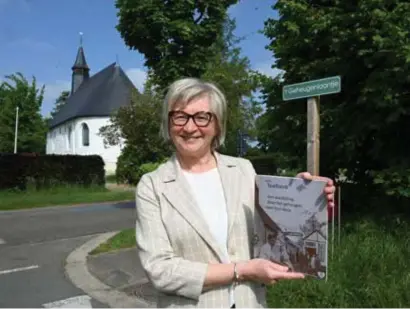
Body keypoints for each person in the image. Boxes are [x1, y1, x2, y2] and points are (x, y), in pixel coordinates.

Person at [134, 77, 335, 308]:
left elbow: (274, 231)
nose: (190, 127)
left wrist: (305, 198)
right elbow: (160, 270)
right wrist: (242, 270)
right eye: (180, 116)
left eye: (202, 117)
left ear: (217, 124)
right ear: (168, 124)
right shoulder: (153, 185)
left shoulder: (242, 170)